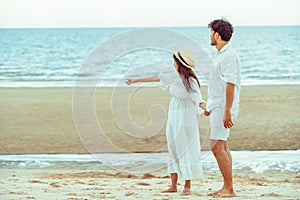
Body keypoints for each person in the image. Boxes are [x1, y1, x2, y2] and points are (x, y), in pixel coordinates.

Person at [126, 49, 206, 195]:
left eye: (175, 61)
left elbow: (199, 99)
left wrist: (208, 110)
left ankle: (187, 186)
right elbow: (157, 78)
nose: (173, 63)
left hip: (186, 116)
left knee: (185, 148)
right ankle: (173, 185)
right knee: (173, 146)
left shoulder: (190, 81)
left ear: (180, 63)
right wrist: (135, 81)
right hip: (174, 113)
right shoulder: (173, 76)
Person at [205, 19, 241, 198]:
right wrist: (209, 105)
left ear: (217, 35)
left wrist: (227, 111)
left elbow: (230, 84)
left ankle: (229, 188)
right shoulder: (221, 54)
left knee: (217, 146)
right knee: (222, 145)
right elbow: (217, 85)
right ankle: (228, 186)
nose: (210, 35)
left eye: (211, 32)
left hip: (223, 107)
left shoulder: (228, 55)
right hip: (218, 105)